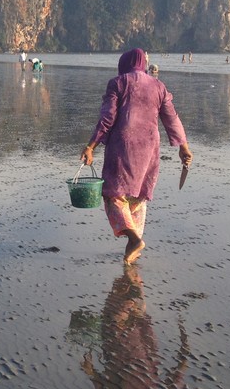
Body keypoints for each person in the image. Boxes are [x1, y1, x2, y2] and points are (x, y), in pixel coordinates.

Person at [80, 49, 193, 264]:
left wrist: (90, 146)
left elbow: (107, 118)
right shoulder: (158, 86)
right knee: (138, 198)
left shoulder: (118, 83)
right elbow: (172, 118)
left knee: (113, 194)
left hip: (123, 146)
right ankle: (132, 250)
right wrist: (184, 147)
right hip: (149, 148)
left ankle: (134, 240)